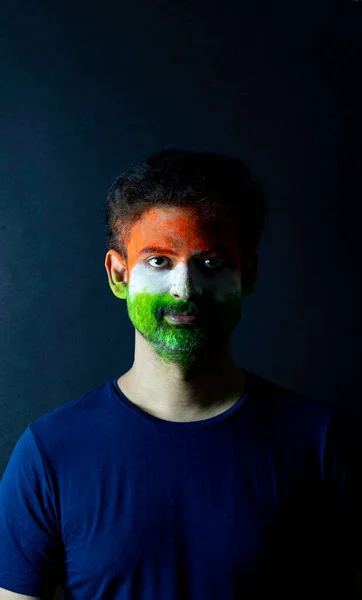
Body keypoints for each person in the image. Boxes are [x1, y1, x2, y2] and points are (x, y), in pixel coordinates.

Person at [0, 148, 361, 599]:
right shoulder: (48, 455)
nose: (185, 288)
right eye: (158, 261)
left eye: (210, 263)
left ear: (246, 274)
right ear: (119, 275)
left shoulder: (321, 444)